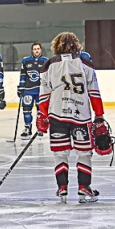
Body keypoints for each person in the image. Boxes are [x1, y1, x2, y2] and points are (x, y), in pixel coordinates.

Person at [36, 32, 105, 204]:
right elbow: (94, 92)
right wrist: (99, 115)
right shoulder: (85, 63)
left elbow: (45, 94)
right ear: (76, 45)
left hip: (57, 115)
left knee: (60, 154)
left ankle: (62, 188)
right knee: (84, 153)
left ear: (56, 45)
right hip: (80, 115)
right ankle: (84, 188)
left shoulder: (49, 65)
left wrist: (42, 115)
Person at [18, 43, 48, 139]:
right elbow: (23, 75)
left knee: (40, 111)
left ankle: (40, 127)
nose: (36, 51)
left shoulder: (46, 61)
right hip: (28, 90)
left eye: (38, 49)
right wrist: (21, 87)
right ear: (32, 50)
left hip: (40, 91)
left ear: (41, 50)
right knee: (27, 109)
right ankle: (27, 127)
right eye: (35, 49)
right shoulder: (26, 61)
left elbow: (48, 77)